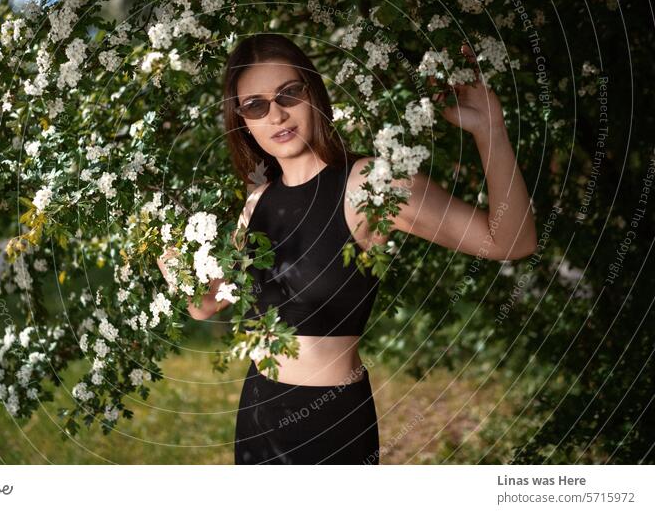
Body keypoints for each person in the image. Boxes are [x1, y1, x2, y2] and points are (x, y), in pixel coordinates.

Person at [158, 33, 537, 464]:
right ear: (242, 119)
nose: (277, 113)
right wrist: (177, 273)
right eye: (256, 105)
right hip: (257, 412)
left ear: (313, 92)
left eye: (289, 93)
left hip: (328, 424)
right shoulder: (256, 200)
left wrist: (491, 129)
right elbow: (206, 305)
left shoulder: (368, 184)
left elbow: (512, 241)